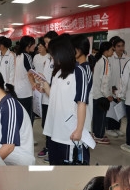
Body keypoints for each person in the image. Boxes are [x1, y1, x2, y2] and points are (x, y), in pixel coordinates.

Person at [35, 35, 92, 165]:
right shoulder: (57, 72)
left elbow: (82, 103)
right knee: (55, 163)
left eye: (54, 54)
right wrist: (45, 85)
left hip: (69, 132)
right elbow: (55, 97)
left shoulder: (79, 72)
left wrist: (79, 130)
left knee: (68, 166)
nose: (52, 58)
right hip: (54, 128)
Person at [92, 42, 115, 144]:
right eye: (112, 50)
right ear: (106, 50)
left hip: (96, 93)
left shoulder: (100, 60)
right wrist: (108, 95)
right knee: (101, 117)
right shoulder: (104, 62)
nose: (113, 52)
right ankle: (98, 136)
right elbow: (104, 81)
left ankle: (97, 133)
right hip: (101, 95)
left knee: (97, 116)